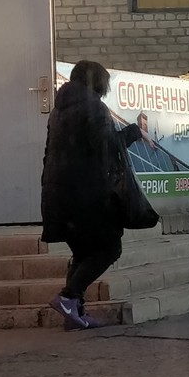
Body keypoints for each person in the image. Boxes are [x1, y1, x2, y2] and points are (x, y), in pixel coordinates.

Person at [41, 60, 141, 330]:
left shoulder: (57, 110)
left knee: (83, 251)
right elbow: (105, 150)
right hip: (86, 194)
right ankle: (68, 298)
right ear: (98, 82)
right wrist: (132, 133)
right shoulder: (95, 108)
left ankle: (76, 314)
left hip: (58, 192)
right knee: (109, 247)